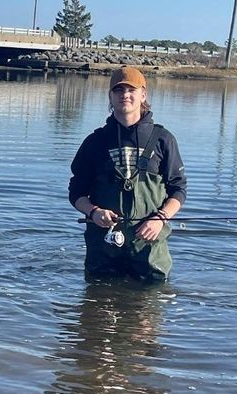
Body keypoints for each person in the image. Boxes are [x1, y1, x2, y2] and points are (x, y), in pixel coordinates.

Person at [68, 66, 187, 281]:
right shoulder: (94, 142)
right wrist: (94, 212)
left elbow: (178, 190)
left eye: (131, 90)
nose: (125, 95)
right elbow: (76, 192)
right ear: (110, 97)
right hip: (103, 247)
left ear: (143, 95)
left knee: (147, 307)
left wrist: (160, 219)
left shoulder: (163, 139)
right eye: (118, 90)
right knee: (97, 308)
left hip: (149, 248)